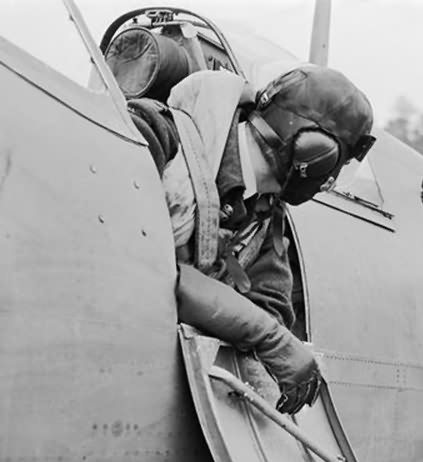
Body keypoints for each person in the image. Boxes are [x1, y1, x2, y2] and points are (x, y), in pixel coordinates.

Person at [128, 64, 375, 414]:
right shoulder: (155, 133)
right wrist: (266, 336)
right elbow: (125, 257)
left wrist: (268, 333)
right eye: (338, 164)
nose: (330, 180)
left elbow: (269, 309)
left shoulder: (262, 221)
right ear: (315, 152)